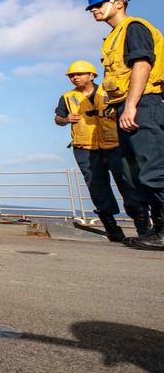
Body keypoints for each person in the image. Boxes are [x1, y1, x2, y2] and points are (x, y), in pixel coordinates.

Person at [87, 0, 164, 249]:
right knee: (136, 173)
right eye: (92, 8)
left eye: (99, 5)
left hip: (144, 104)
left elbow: (142, 64)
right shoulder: (112, 37)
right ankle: (157, 230)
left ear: (119, 3)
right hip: (127, 107)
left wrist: (131, 105)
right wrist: (116, 106)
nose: (94, 10)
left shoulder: (134, 27)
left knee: (153, 168)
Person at [54, 60, 148, 242]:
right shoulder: (67, 97)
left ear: (92, 75)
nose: (75, 78)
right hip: (85, 147)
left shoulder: (109, 92)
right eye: (72, 76)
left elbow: (130, 108)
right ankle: (111, 227)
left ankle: (143, 227)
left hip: (115, 145)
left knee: (129, 184)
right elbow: (57, 118)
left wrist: (118, 113)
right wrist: (66, 119)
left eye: (79, 74)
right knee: (97, 188)